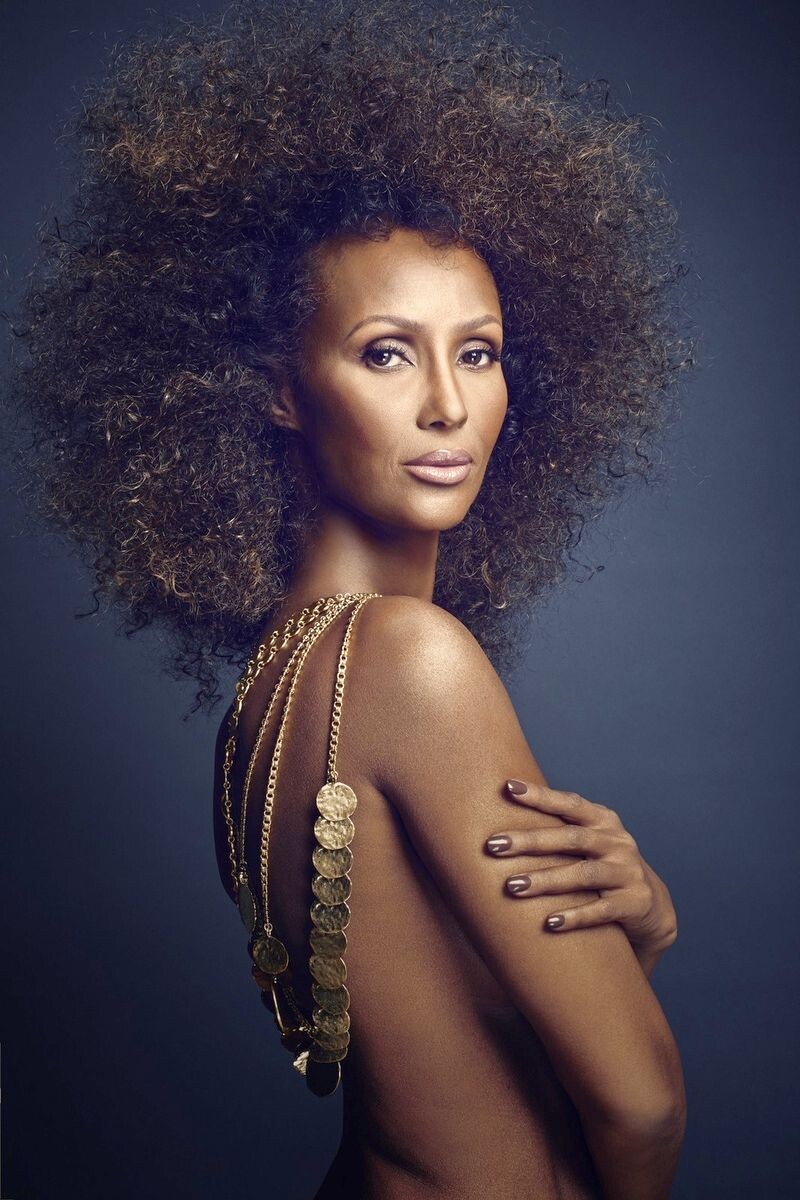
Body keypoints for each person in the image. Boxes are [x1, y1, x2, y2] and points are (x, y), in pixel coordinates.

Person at [6, 1, 693, 1196]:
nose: (446, 405)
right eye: (385, 351)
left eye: (476, 351)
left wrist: (644, 924)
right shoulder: (410, 658)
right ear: (278, 388)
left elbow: (441, 1057)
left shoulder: (276, 690)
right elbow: (637, 1103)